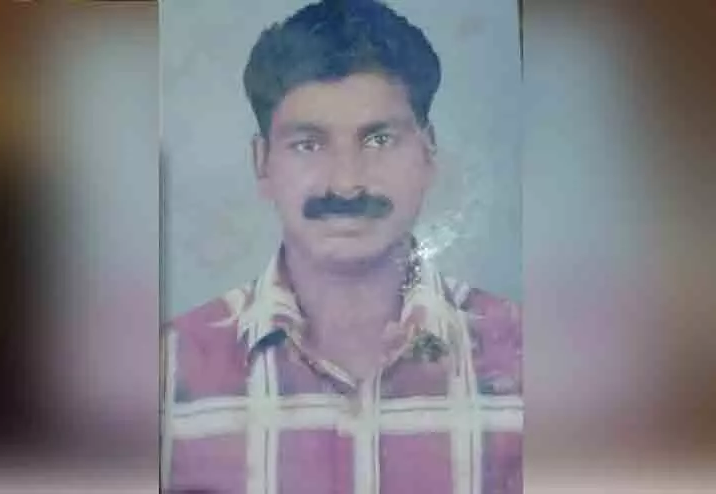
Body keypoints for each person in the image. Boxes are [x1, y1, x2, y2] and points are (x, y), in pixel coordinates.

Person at [160, 1, 522, 493]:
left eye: (378, 139)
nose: (347, 183)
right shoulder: (165, 375)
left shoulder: (529, 361)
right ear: (262, 163)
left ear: (428, 151)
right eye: (308, 144)